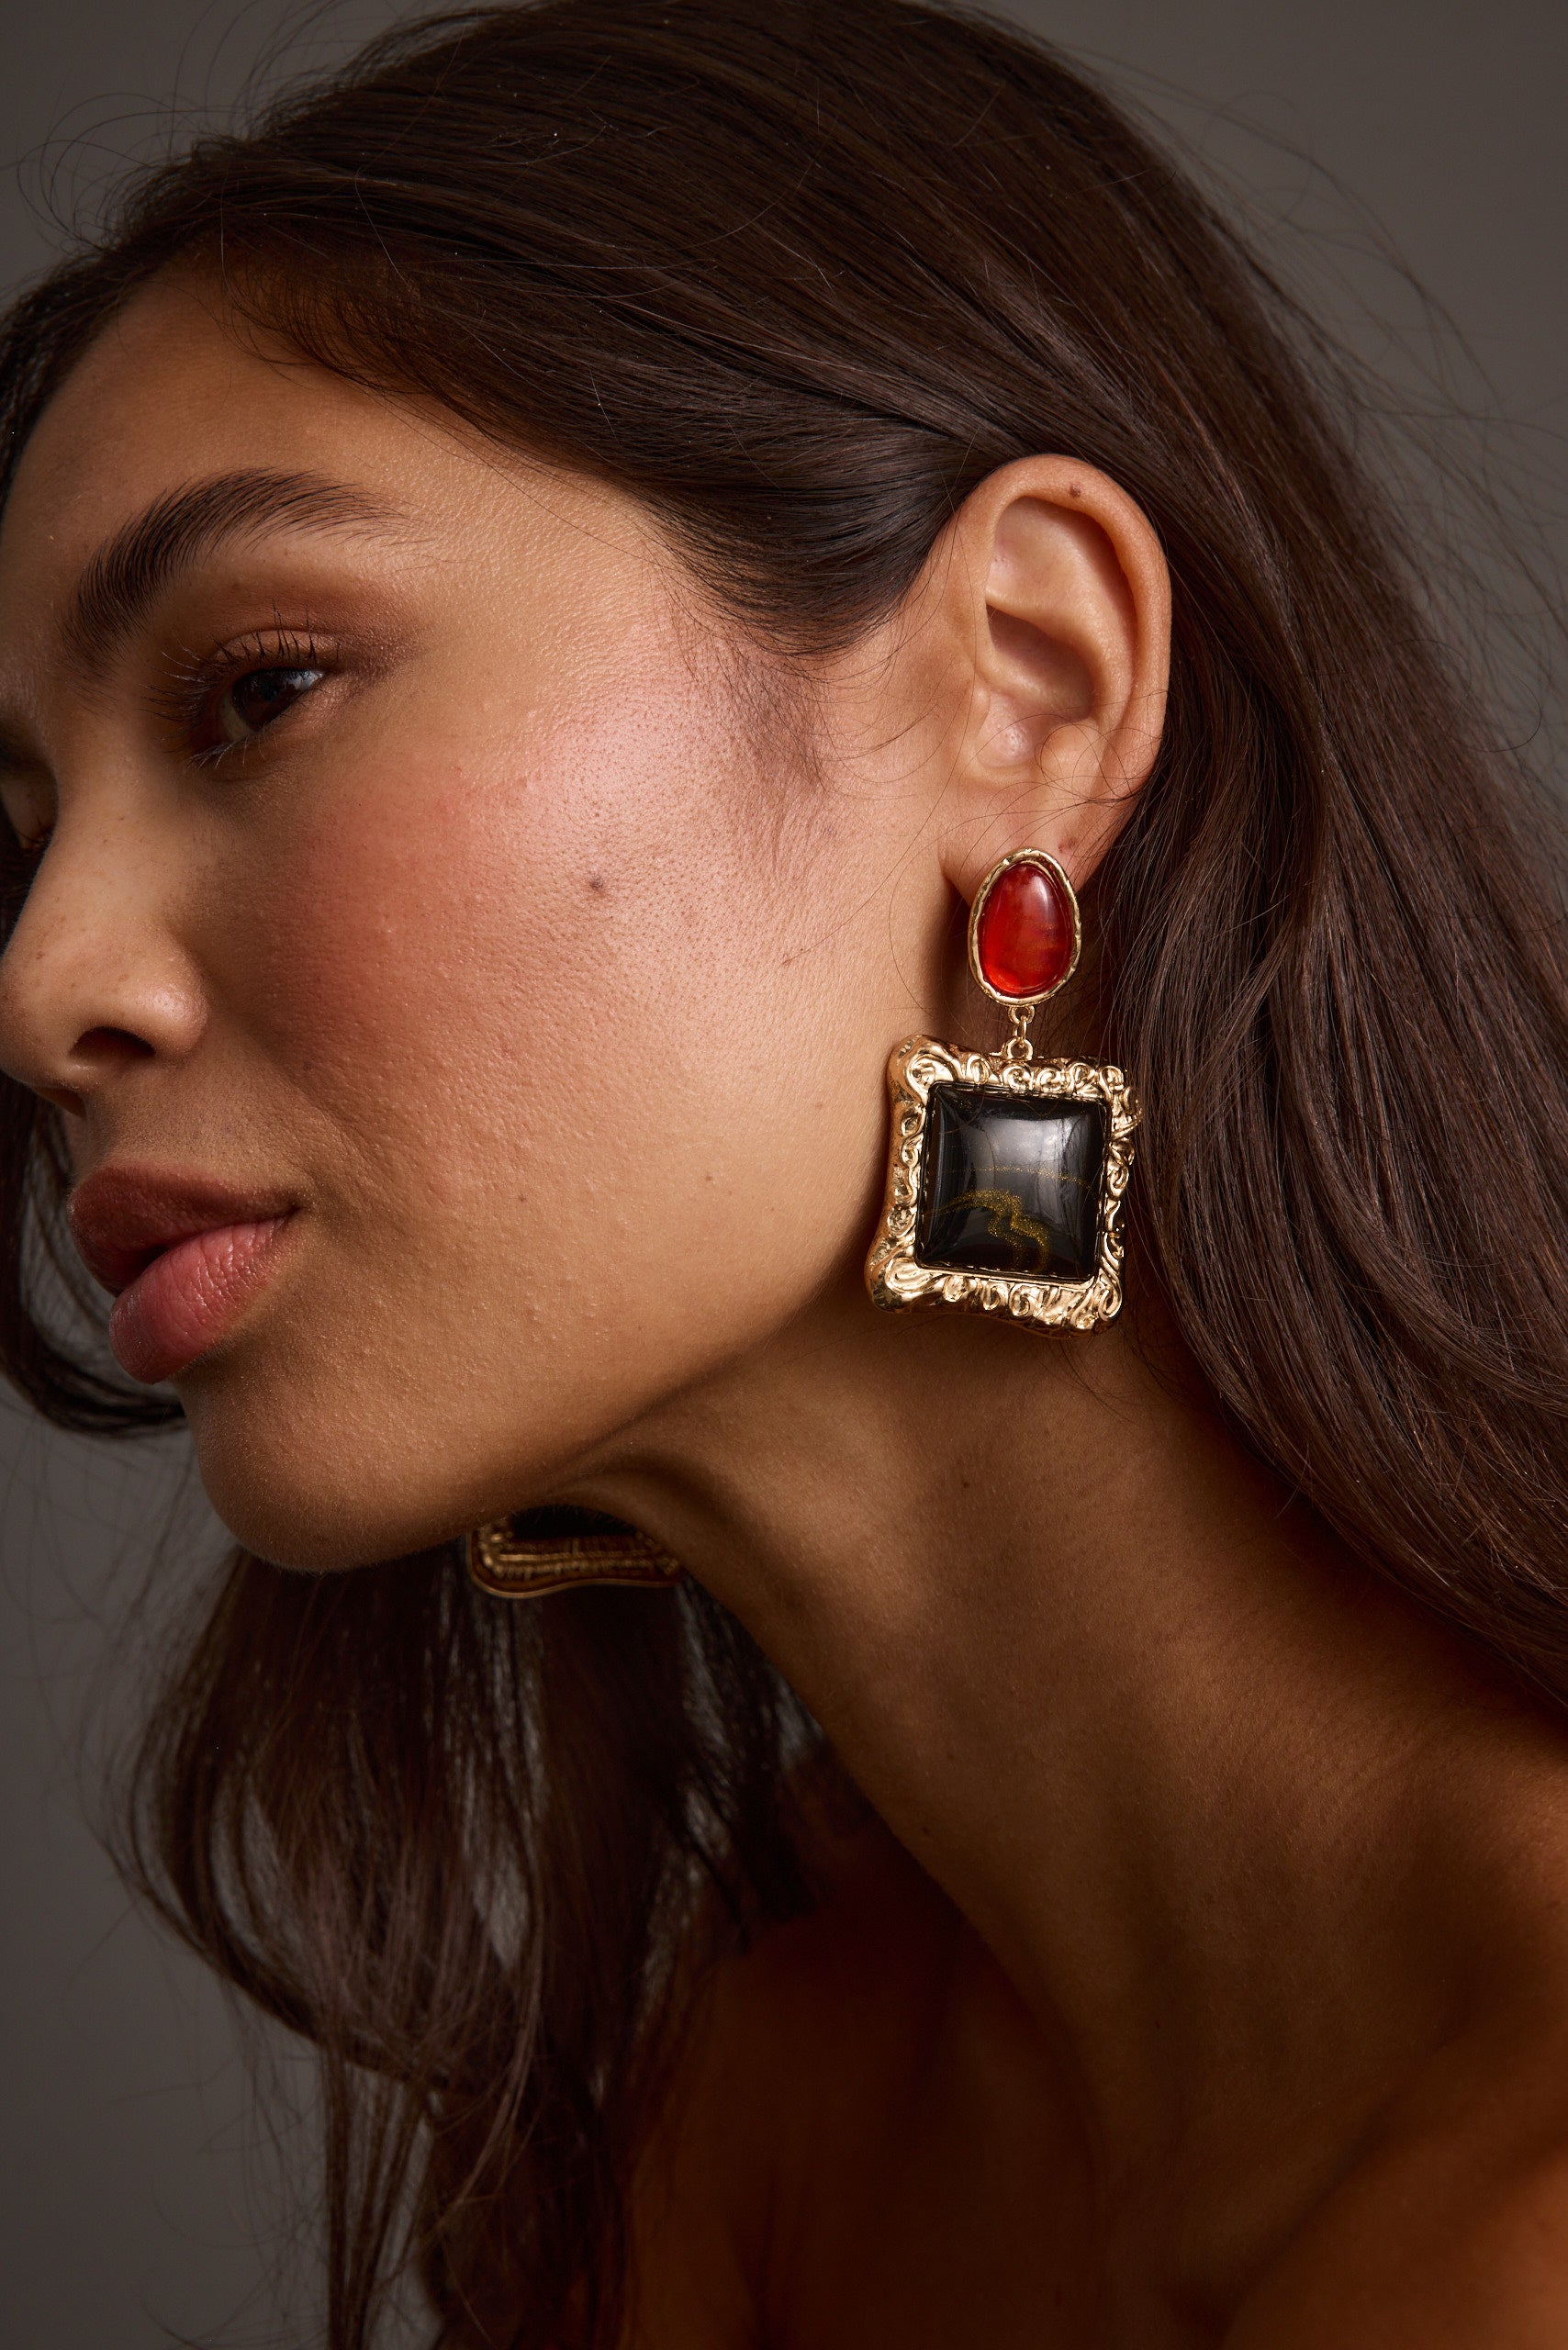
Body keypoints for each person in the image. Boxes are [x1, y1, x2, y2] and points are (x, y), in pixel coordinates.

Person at [0, 1, 1563, 2342]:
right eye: (23, 835)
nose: (43, 986)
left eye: (262, 688)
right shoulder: (708, 2138)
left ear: (1026, 686)